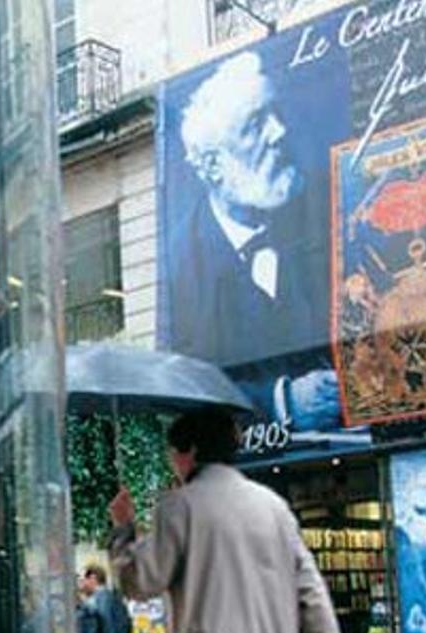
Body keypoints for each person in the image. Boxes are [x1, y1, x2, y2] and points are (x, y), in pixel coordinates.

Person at [159, 50, 345, 435]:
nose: (279, 132)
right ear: (211, 166)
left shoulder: (330, 214)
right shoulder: (180, 263)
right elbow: (187, 388)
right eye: (255, 124)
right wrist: (283, 402)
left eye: (275, 114)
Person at [107, 409, 350, 633]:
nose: (172, 462)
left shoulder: (180, 507)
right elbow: (312, 596)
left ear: (190, 451)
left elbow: (140, 581)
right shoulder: (275, 508)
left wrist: (123, 529)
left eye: (173, 453)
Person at [77, 563, 133, 633]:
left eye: (82, 579)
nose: (80, 584)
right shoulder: (119, 603)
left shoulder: (90, 606)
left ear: (93, 578)